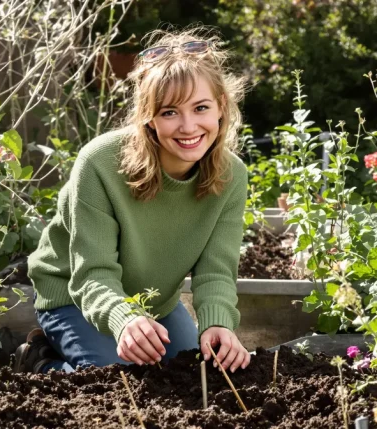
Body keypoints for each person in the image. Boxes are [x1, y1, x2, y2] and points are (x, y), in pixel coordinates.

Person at [14, 27, 251, 374]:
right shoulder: (100, 163)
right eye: (170, 112)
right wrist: (124, 319)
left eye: (201, 108)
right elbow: (92, 274)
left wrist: (218, 323)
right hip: (74, 296)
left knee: (192, 371)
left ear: (221, 108)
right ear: (149, 117)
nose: (188, 126)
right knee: (120, 380)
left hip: (155, 302)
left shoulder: (232, 175)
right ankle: (42, 362)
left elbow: (217, 269)